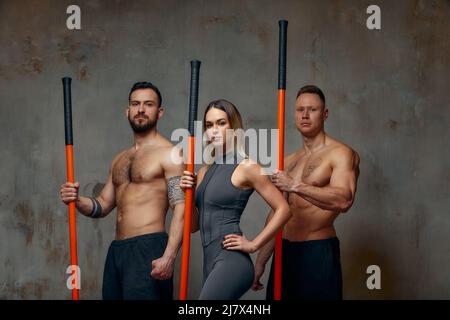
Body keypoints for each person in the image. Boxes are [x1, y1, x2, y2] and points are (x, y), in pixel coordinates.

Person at [59, 82, 185, 300]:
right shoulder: (120, 159)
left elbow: (181, 208)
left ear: (159, 112)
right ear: (127, 110)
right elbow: (103, 205)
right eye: (135, 104)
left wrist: (169, 256)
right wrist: (77, 200)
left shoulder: (169, 154)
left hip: (149, 248)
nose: (141, 109)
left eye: (148, 104)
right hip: (117, 251)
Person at [252, 85, 360, 300]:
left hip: (317, 251)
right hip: (284, 253)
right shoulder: (288, 161)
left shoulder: (341, 154)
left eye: (312, 109)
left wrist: (294, 185)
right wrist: (261, 261)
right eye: (300, 109)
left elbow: (344, 200)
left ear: (325, 114)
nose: (305, 115)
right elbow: (278, 214)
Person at [180, 99, 291, 300]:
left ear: (234, 127)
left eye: (221, 123)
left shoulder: (247, 167)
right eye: (209, 125)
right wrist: (185, 193)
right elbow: (194, 226)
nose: (214, 130)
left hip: (231, 262)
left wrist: (254, 245)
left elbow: (283, 209)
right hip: (209, 261)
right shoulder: (204, 171)